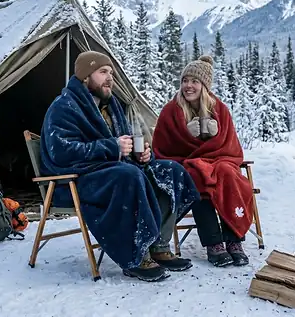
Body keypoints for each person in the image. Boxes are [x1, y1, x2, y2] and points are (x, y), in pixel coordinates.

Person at [39, 50, 200, 282]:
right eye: (103, 72)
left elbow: (122, 146)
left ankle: (159, 245)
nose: (110, 78)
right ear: (85, 76)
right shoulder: (64, 106)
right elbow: (62, 152)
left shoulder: (111, 104)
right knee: (128, 175)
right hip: (76, 180)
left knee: (170, 171)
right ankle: (137, 254)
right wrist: (112, 147)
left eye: (111, 73)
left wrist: (140, 154)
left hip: (114, 171)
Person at [152, 55, 254, 267]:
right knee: (197, 175)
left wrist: (214, 137)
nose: (188, 86)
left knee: (227, 172)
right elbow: (161, 148)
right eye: (185, 81)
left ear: (204, 86)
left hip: (220, 160)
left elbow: (231, 146)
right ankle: (214, 244)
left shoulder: (220, 110)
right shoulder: (171, 111)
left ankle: (234, 240)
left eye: (194, 81)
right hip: (188, 163)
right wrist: (186, 134)